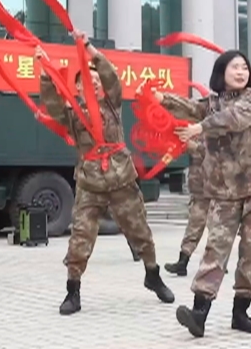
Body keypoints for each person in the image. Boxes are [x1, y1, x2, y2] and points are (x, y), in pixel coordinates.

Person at [38, 30, 174, 316]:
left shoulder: (112, 104)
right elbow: (51, 103)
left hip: (121, 178)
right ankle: (72, 291)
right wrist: (46, 74)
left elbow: (111, 75)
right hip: (90, 182)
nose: (95, 83)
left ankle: (153, 275)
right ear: (78, 88)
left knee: (140, 231)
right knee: (80, 237)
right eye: (87, 81)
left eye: (97, 80)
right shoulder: (73, 113)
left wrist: (88, 48)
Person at [152, 50, 251, 337]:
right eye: (235, 67)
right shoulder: (211, 103)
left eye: (244, 67)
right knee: (215, 251)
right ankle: (199, 314)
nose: (241, 72)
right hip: (223, 193)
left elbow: (234, 118)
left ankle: (240, 312)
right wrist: (162, 99)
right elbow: (190, 107)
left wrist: (201, 127)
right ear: (222, 72)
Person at [163, 138, 207, 276]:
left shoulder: (217, 130)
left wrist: (196, 147)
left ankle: (218, 262)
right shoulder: (195, 132)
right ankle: (183, 262)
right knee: (193, 226)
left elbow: (220, 154)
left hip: (216, 190)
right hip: (199, 191)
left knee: (219, 229)